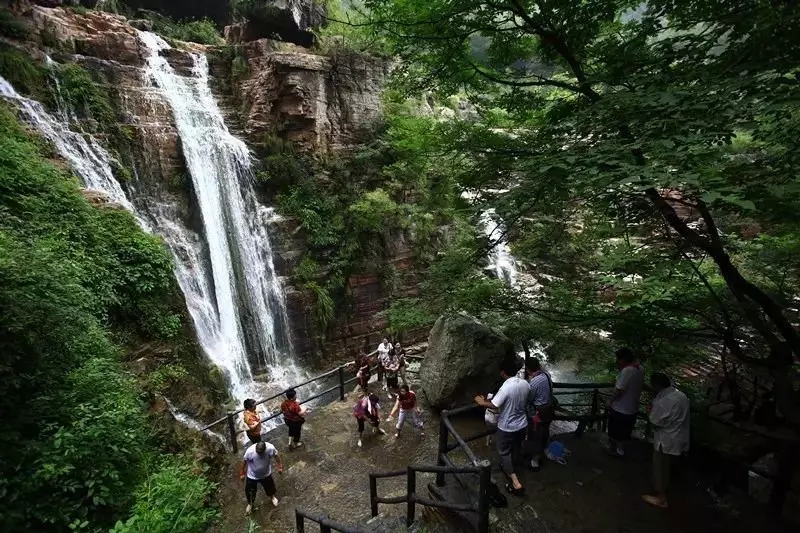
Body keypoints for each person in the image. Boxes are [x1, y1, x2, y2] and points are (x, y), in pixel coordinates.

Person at [474, 358, 530, 496]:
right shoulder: (525, 383)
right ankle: (512, 466)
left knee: (504, 452)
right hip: (522, 424)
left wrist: (481, 402)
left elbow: (494, 404)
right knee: (516, 447)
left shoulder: (506, 387)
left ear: (503, 372)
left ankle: (516, 483)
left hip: (508, 426)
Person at [642, 372, 690, 509]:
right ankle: (663, 492)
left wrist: (648, 411)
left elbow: (656, 421)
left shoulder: (664, 401)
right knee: (668, 466)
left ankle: (661, 498)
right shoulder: (681, 396)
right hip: (679, 437)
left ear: (657, 386)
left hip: (665, 439)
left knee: (660, 467)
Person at [605, 347, 644, 457]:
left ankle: (615, 450)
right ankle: (619, 449)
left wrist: (610, 401)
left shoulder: (627, 370)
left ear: (624, 359)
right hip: (632, 407)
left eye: (619, 359)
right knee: (625, 431)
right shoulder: (640, 368)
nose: (617, 361)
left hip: (621, 407)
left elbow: (620, 390)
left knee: (615, 430)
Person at [525, 358, 555, 471]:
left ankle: (535, 462)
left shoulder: (533, 382)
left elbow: (529, 400)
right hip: (548, 410)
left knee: (535, 436)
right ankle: (543, 452)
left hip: (538, 413)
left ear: (528, 370)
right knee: (545, 432)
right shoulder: (547, 375)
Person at [239, 441, 284, 515]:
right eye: (258, 452)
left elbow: (276, 455)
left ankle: (272, 497)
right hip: (252, 475)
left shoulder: (270, 448)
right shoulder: (250, 451)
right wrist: (241, 473)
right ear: (256, 447)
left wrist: (279, 466)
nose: (259, 453)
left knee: (270, 487)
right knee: (250, 491)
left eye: (260, 452)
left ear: (265, 449)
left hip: (266, 474)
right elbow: (244, 461)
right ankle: (250, 503)